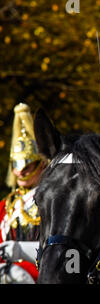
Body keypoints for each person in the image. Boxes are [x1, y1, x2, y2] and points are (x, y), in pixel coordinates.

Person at [0, 103, 47, 283]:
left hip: (41, 268)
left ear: (40, 164)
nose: (20, 172)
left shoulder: (51, 199)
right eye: (17, 166)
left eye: (27, 166)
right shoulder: (7, 205)